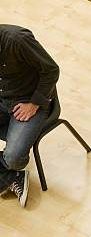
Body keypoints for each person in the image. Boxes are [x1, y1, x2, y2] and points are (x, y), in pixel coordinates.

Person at [0, 25, 60, 207]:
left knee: (14, 158)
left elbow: (51, 70)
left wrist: (34, 103)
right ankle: (10, 176)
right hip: (2, 98)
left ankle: (14, 171)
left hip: (28, 102)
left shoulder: (17, 39)